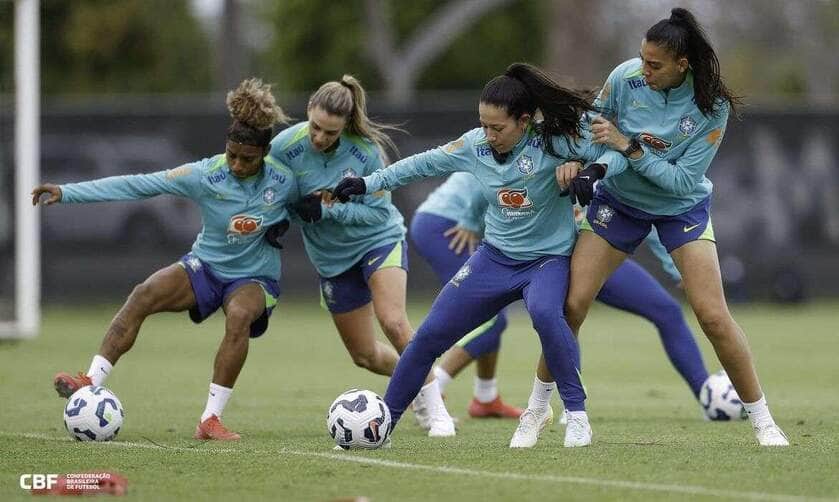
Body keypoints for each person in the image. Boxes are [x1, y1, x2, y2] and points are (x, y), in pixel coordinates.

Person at [532, 7, 788, 446]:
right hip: (620, 203)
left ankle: (764, 420)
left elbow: (681, 182)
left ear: (681, 66)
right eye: (642, 59)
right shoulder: (625, 77)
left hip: (681, 208)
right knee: (571, 306)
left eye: (655, 65)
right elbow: (594, 128)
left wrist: (629, 149)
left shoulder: (713, 108)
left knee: (712, 315)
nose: (644, 71)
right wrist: (580, 160)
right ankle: (537, 408)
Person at [333, 62, 613, 448]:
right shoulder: (474, 146)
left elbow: (608, 151)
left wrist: (586, 167)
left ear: (525, 121)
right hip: (494, 259)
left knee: (549, 316)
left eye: (497, 127)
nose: (488, 134)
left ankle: (578, 416)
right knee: (428, 337)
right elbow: (421, 164)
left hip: (547, 261)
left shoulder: (554, 143)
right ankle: (383, 427)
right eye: (483, 124)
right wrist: (367, 183)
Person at [34, 78, 297, 441]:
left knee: (238, 316)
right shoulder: (205, 174)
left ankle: (210, 420)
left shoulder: (285, 181)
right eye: (231, 154)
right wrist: (67, 192)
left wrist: (298, 216)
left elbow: (315, 207)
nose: (236, 164)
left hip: (255, 277)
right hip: (205, 266)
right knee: (144, 293)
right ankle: (90, 380)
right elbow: (138, 184)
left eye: (247, 159)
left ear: (265, 153)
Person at [419, 175, 712, 433]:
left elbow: (649, 212)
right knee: (562, 314)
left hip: (596, 249)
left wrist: (676, 269)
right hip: (553, 253)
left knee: (666, 310)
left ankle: (708, 394)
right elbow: (490, 173)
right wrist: (471, 218)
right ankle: (435, 389)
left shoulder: (611, 149)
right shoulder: (547, 142)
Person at [268, 75, 455, 437]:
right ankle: (414, 383)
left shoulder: (365, 151)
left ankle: (438, 412)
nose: (321, 138)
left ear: (344, 128)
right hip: (332, 260)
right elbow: (276, 199)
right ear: (308, 111)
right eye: (317, 128)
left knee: (394, 322)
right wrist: (286, 216)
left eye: (331, 133)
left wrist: (328, 209)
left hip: (378, 241)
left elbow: (377, 213)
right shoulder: (283, 148)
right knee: (365, 356)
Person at [411, 172, 523, 419]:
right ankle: (431, 389)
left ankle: (486, 397)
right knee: (491, 319)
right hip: (448, 224)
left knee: (491, 313)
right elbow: (492, 180)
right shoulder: (523, 146)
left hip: (439, 220)